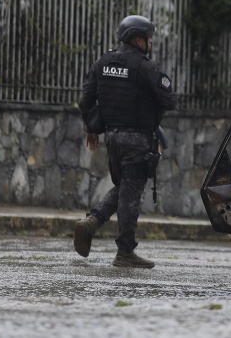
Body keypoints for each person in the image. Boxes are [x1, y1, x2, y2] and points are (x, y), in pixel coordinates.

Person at [74, 15, 176, 269]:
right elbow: (170, 100)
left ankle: (92, 222)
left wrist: (91, 128)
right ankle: (125, 251)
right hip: (138, 139)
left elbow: (86, 99)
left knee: (124, 188)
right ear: (138, 39)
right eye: (149, 37)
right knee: (130, 195)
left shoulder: (103, 62)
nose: (151, 41)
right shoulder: (145, 67)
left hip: (112, 138)